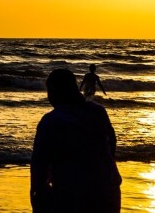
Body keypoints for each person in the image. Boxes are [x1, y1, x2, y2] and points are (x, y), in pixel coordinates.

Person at [30, 69, 121, 213]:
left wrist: (36, 194)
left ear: (55, 92)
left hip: (74, 194)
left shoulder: (51, 120)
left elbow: (38, 164)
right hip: (108, 190)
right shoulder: (99, 112)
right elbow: (112, 143)